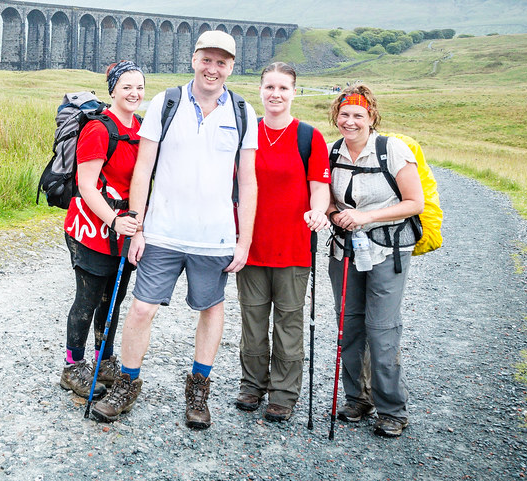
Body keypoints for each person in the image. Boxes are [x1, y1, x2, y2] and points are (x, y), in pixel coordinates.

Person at [91, 30, 258, 430]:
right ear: (194, 59)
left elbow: (248, 180)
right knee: (142, 308)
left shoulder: (241, 110)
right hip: (162, 231)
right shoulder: (166, 102)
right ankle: (127, 385)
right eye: (207, 59)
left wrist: (244, 239)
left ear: (231, 66)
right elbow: (143, 168)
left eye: (222, 62)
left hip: (214, 235)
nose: (213, 68)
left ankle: (199, 389)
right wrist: (137, 227)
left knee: (211, 309)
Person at [326, 85, 424, 438]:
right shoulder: (332, 151)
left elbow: (415, 202)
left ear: (372, 118)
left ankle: (393, 409)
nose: (350, 121)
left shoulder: (391, 150)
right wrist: (337, 214)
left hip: (387, 251)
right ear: (336, 116)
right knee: (349, 325)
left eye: (358, 115)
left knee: (381, 330)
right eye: (344, 114)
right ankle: (358, 398)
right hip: (346, 251)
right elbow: (327, 200)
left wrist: (366, 218)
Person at [235, 62, 331, 423]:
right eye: (269, 87)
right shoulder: (246, 134)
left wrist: (318, 212)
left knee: (289, 323)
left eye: (283, 88)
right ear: (260, 90)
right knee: (253, 322)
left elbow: (319, 190)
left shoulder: (309, 136)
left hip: (293, 247)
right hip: (251, 245)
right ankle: (252, 385)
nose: (275, 94)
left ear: (294, 92)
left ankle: (283, 393)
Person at [60, 61, 145, 399]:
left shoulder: (141, 128)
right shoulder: (98, 129)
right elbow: (87, 185)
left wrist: (133, 225)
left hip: (123, 230)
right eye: (126, 87)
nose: (134, 93)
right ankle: (72, 365)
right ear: (112, 90)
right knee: (88, 298)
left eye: (139, 87)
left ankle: (103, 359)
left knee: (114, 298)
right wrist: (113, 220)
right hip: (91, 228)